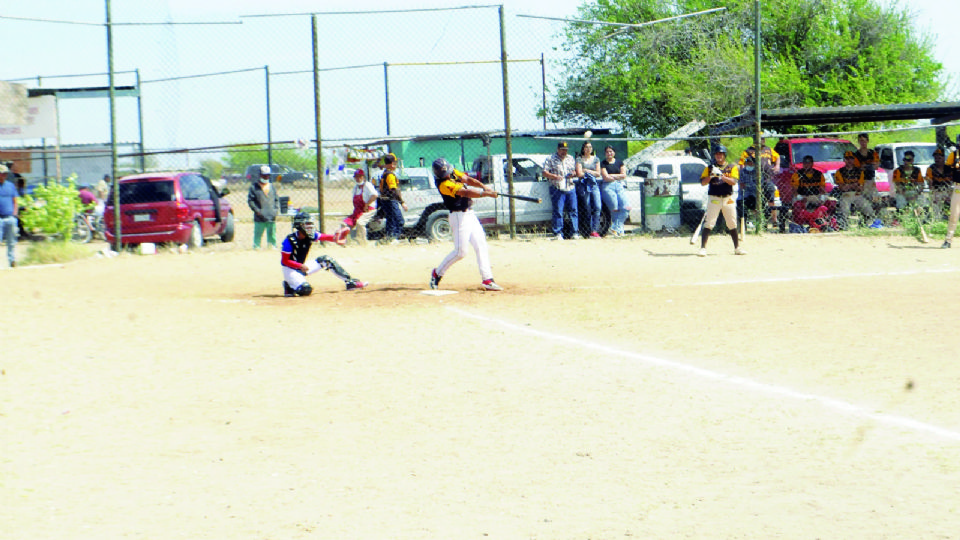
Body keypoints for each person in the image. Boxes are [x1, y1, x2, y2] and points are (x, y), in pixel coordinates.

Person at [428, 158, 502, 291]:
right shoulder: (443, 184)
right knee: (460, 252)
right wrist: (486, 194)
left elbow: (467, 180)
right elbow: (465, 192)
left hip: (470, 214)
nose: (448, 174)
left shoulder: (451, 172)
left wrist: (484, 187)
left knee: (481, 245)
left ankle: (487, 279)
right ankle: (437, 273)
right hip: (458, 217)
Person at [281, 211, 367, 296]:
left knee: (326, 260)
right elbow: (285, 261)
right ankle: (289, 286)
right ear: (299, 225)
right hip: (290, 270)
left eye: (310, 224)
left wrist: (336, 238)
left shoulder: (310, 235)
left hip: (301, 267)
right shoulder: (289, 240)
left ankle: (350, 282)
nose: (310, 227)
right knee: (306, 290)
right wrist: (299, 266)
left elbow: (325, 237)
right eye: (307, 224)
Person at [697, 145, 744, 256]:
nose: (719, 156)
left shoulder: (731, 167)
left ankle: (737, 247)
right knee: (709, 222)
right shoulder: (709, 168)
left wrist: (721, 176)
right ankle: (703, 248)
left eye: (721, 154)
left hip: (728, 198)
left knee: (732, 223)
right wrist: (711, 175)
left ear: (724, 155)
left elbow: (733, 181)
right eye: (717, 154)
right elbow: (703, 182)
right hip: (714, 198)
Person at [542, 141, 580, 240]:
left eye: (566, 150)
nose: (564, 152)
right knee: (558, 211)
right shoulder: (550, 159)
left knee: (573, 210)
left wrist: (573, 173)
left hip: (570, 186)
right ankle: (558, 233)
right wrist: (554, 176)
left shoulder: (571, 158)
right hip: (557, 187)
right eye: (562, 150)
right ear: (558, 149)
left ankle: (574, 232)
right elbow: (544, 172)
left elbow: (575, 171)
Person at [335, 168, 378, 245]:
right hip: (358, 211)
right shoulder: (355, 188)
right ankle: (347, 243)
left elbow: (375, 195)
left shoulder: (367, 185)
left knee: (360, 223)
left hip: (369, 210)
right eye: (356, 177)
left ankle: (362, 243)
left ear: (363, 177)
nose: (358, 178)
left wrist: (367, 204)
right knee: (344, 224)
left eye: (360, 176)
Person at [737, 154, 780, 229]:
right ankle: (743, 227)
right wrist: (751, 185)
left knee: (763, 204)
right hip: (745, 195)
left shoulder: (758, 173)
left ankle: (761, 225)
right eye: (748, 162)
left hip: (756, 195)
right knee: (740, 204)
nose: (750, 164)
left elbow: (760, 185)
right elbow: (741, 185)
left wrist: (749, 185)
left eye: (751, 163)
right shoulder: (742, 172)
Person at [835, 151, 876, 225]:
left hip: (857, 194)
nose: (849, 161)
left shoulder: (859, 171)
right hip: (846, 195)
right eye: (847, 159)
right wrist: (853, 185)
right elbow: (842, 188)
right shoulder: (840, 172)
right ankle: (844, 226)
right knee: (844, 210)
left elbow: (860, 188)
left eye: (851, 158)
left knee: (869, 210)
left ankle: (866, 224)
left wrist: (849, 185)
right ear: (844, 160)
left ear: (854, 159)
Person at [599, 145, 629, 236]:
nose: (609, 153)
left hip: (619, 185)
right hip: (608, 187)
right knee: (614, 208)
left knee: (626, 208)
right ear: (605, 153)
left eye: (611, 151)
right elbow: (605, 177)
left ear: (614, 152)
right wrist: (617, 176)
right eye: (607, 152)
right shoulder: (603, 163)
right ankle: (619, 231)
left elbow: (624, 175)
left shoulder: (620, 162)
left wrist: (612, 176)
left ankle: (615, 228)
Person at [248, 165, 280, 249]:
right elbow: (251, 201)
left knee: (272, 233)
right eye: (263, 175)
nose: (266, 177)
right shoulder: (254, 187)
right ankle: (257, 247)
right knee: (258, 233)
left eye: (267, 175)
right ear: (260, 175)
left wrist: (275, 210)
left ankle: (272, 245)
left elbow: (276, 199)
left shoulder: (272, 186)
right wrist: (257, 211)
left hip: (271, 215)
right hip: (260, 216)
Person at [378, 153, 407, 244]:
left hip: (385, 201)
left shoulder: (385, 172)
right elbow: (393, 190)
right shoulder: (390, 175)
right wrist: (402, 202)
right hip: (390, 201)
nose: (396, 164)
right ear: (392, 164)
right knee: (399, 220)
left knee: (391, 220)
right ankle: (394, 238)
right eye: (395, 162)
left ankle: (389, 238)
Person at [575, 140, 602, 238]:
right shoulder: (579, 159)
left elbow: (598, 173)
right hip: (583, 185)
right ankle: (588, 230)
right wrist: (591, 173)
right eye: (586, 147)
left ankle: (595, 229)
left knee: (598, 206)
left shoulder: (596, 159)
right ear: (583, 149)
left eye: (590, 147)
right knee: (587, 207)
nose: (588, 149)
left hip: (594, 185)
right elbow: (579, 174)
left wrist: (586, 171)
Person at [852, 133, 880, 205]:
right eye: (861, 141)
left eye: (864, 141)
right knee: (864, 198)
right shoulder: (856, 154)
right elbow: (856, 168)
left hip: (871, 178)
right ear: (858, 142)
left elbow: (876, 166)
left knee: (875, 198)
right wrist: (864, 166)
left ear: (867, 141)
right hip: (861, 180)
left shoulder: (872, 153)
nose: (863, 143)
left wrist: (870, 165)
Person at [0, 163, 19, 267]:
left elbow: (15, 200)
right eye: (1, 174)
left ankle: (12, 260)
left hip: (10, 217)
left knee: (11, 241)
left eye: (5, 174)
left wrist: (14, 214)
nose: (3, 176)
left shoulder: (10, 186)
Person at [926, 147, 954, 213]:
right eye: (935, 158)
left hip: (949, 191)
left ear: (944, 158)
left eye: (939, 158)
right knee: (936, 197)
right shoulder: (930, 169)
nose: (937, 160)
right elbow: (930, 184)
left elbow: (954, 182)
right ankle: (938, 215)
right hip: (937, 191)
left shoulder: (950, 169)